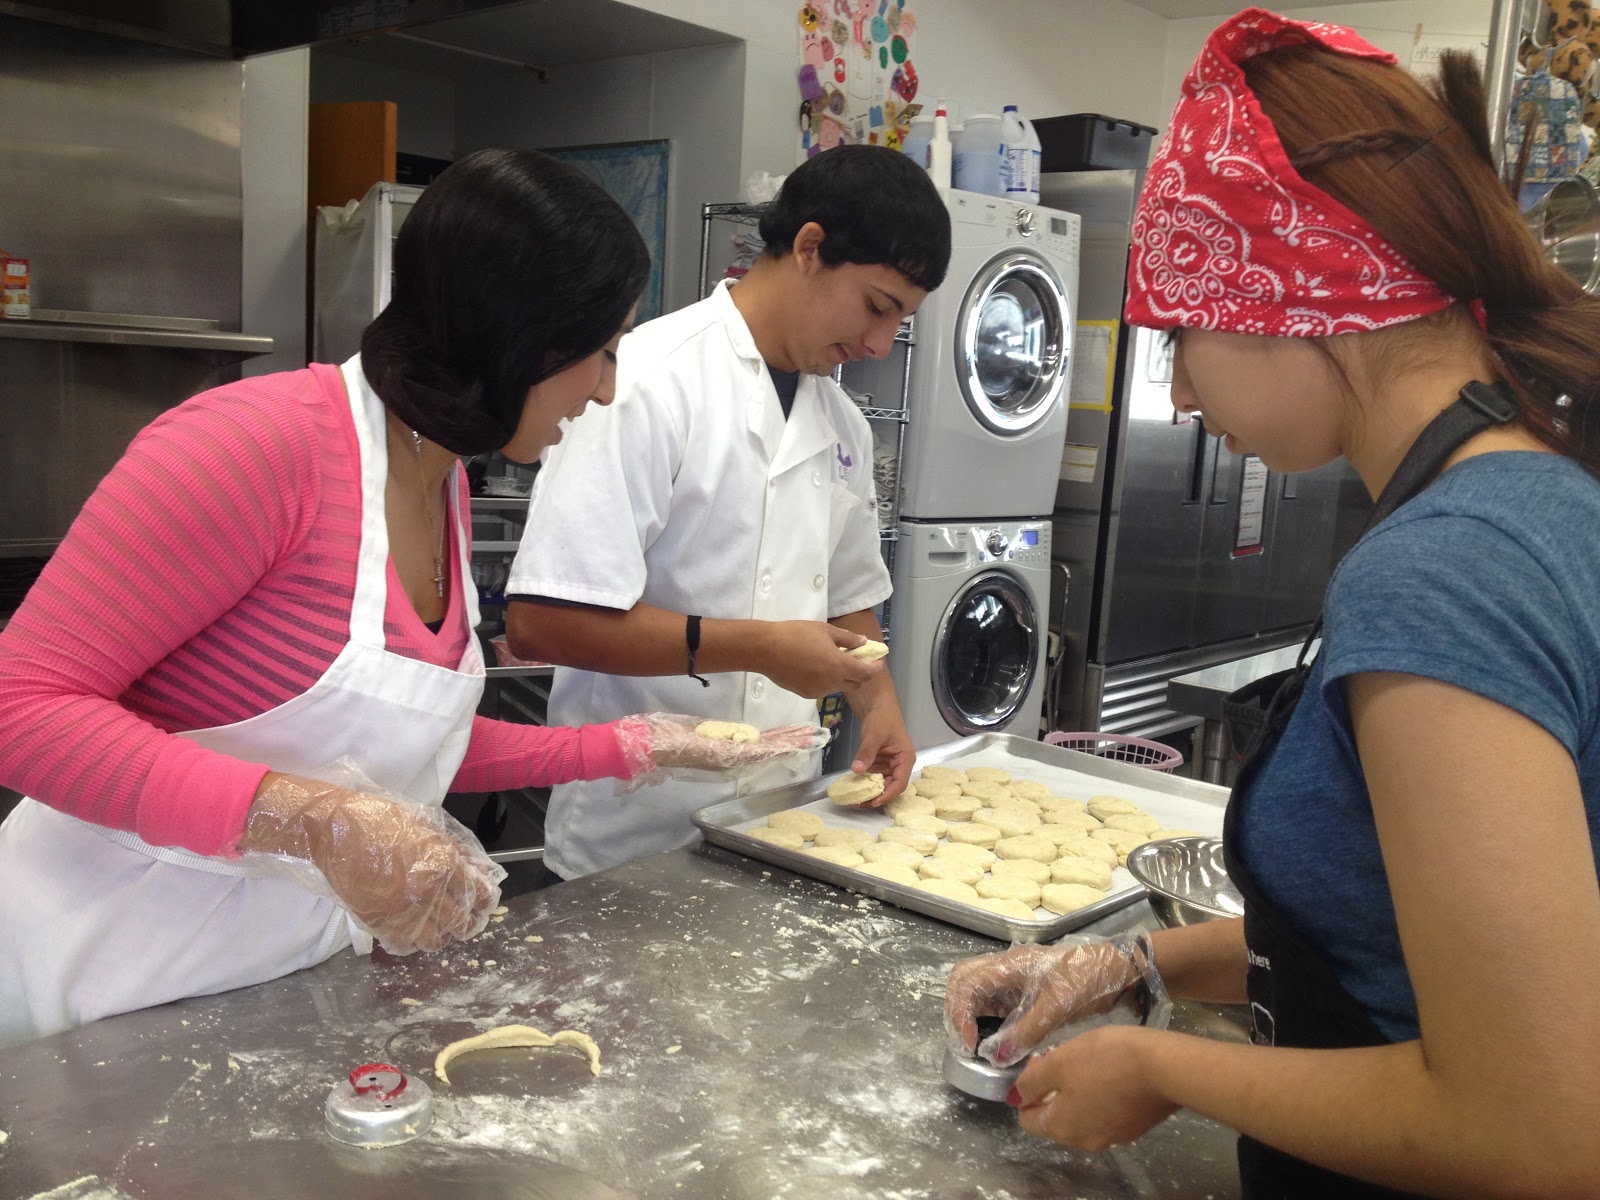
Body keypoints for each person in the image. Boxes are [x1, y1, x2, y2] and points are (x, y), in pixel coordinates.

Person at [945, 10, 1600, 1198]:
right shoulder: (1535, 496)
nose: (1185, 392)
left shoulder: (1445, 572)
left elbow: (1536, 1132)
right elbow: (1394, 934)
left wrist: (1167, 1068)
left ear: (1294, 298)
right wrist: (1139, 966)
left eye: (1180, 335)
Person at [0, 148, 820, 1048]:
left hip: (254, 988)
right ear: (517, 338)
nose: (607, 389)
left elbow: (401, 752)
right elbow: (20, 705)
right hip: (93, 986)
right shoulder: (257, 447)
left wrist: (629, 747)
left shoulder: (440, 478)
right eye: (602, 351)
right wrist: (312, 820)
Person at [504, 144, 953, 881]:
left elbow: (849, 597)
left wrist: (879, 706)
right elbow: (543, 620)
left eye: (899, 321)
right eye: (877, 306)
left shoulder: (843, 422)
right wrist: (761, 647)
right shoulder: (646, 381)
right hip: (633, 828)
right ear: (809, 247)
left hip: (781, 819)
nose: (879, 344)